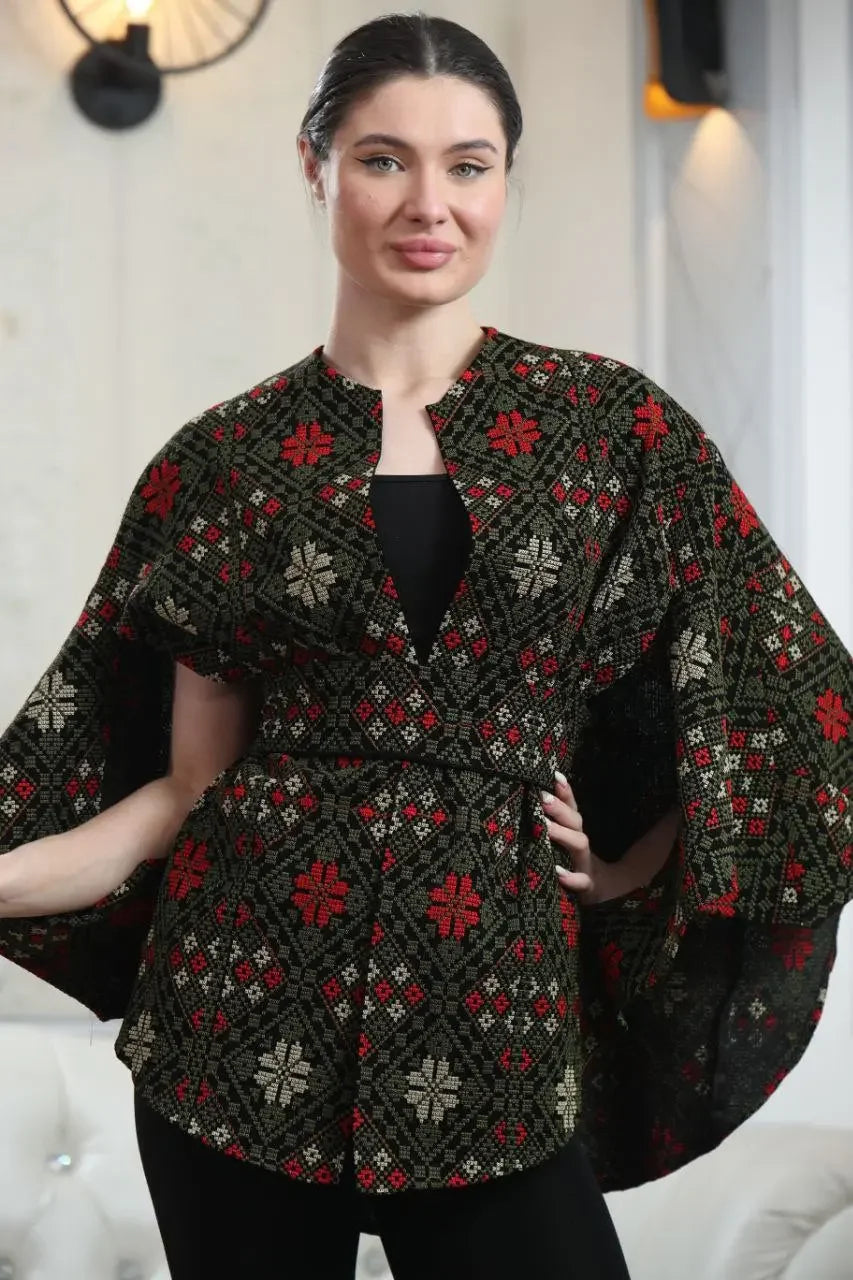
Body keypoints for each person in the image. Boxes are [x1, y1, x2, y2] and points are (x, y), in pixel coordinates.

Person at [0, 11, 850, 1280]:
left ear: (506, 179)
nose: (428, 202)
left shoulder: (610, 430)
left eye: (469, 163)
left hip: (495, 1028)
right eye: (383, 158)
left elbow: (782, 696)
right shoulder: (222, 462)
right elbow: (185, 788)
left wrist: (626, 870)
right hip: (232, 1025)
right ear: (315, 165)